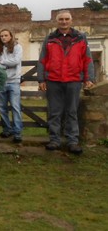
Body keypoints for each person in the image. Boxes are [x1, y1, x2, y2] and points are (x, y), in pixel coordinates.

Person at [38, 10, 94, 155]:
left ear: (71, 20)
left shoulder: (80, 38)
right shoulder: (49, 38)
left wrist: (88, 78)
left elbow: (87, 59)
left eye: (66, 19)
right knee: (54, 112)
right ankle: (54, 140)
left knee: (72, 112)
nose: (64, 22)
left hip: (74, 80)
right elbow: (42, 60)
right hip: (53, 81)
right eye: (61, 19)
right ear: (57, 21)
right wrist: (41, 79)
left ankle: (72, 141)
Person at [0, 29, 24, 143]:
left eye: (6, 35)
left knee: (15, 107)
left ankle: (17, 132)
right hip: (1, 81)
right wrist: (5, 64)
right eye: (1, 36)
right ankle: (7, 129)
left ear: (11, 36)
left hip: (14, 81)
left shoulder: (17, 47)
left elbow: (16, 61)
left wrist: (2, 62)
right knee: (2, 108)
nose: (3, 37)